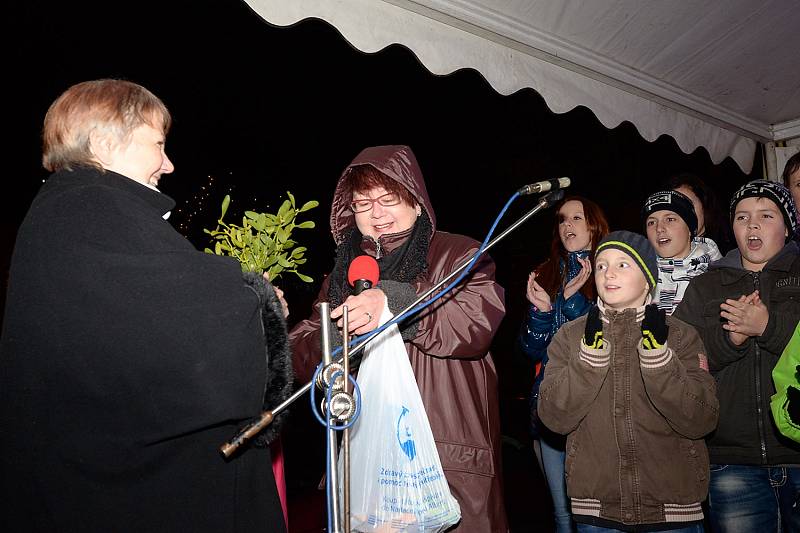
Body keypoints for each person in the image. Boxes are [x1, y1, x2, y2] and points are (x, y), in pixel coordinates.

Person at [0, 79, 292, 532]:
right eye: (158, 143)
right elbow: (172, 317)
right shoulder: (90, 209)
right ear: (102, 142)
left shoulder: (70, 208)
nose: (169, 164)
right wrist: (253, 295)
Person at [288, 145, 508, 532]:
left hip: (442, 457)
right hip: (363, 455)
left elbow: (475, 323)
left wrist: (391, 302)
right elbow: (300, 346)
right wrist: (336, 339)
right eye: (362, 204)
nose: (376, 214)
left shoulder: (459, 253)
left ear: (417, 202)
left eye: (388, 199)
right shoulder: (342, 273)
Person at [538, 230, 719, 532]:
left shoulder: (680, 336)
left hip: (671, 509)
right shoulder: (570, 338)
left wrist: (660, 361)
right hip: (597, 511)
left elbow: (702, 418)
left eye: (623, 264)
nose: (608, 273)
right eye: (601, 265)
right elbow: (553, 417)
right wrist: (588, 361)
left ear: (648, 277)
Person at [674, 180, 800, 532]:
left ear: (788, 226)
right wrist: (731, 339)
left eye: (766, 215)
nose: (752, 224)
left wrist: (768, 327)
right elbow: (681, 361)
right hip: (731, 462)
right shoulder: (706, 285)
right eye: (742, 216)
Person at [518, 195, 609, 533]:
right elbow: (530, 350)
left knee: (596, 515)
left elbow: (603, 341)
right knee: (561, 516)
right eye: (561, 219)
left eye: (577, 217)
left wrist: (572, 304)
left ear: (594, 224)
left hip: (593, 411)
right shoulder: (545, 272)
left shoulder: (610, 268)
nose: (568, 225)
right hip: (548, 406)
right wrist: (541, 314)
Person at [642, 189, 721, 315]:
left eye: (670, 219)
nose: (659, 228)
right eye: (651, 222)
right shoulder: (639, 276)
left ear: (689, 228)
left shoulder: (717, 274)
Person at [664, 172, 734, 254]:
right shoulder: (662, 251)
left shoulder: (727, 249)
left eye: (688, 203)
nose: (682, 212)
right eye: (675, 207)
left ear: (704, 205)